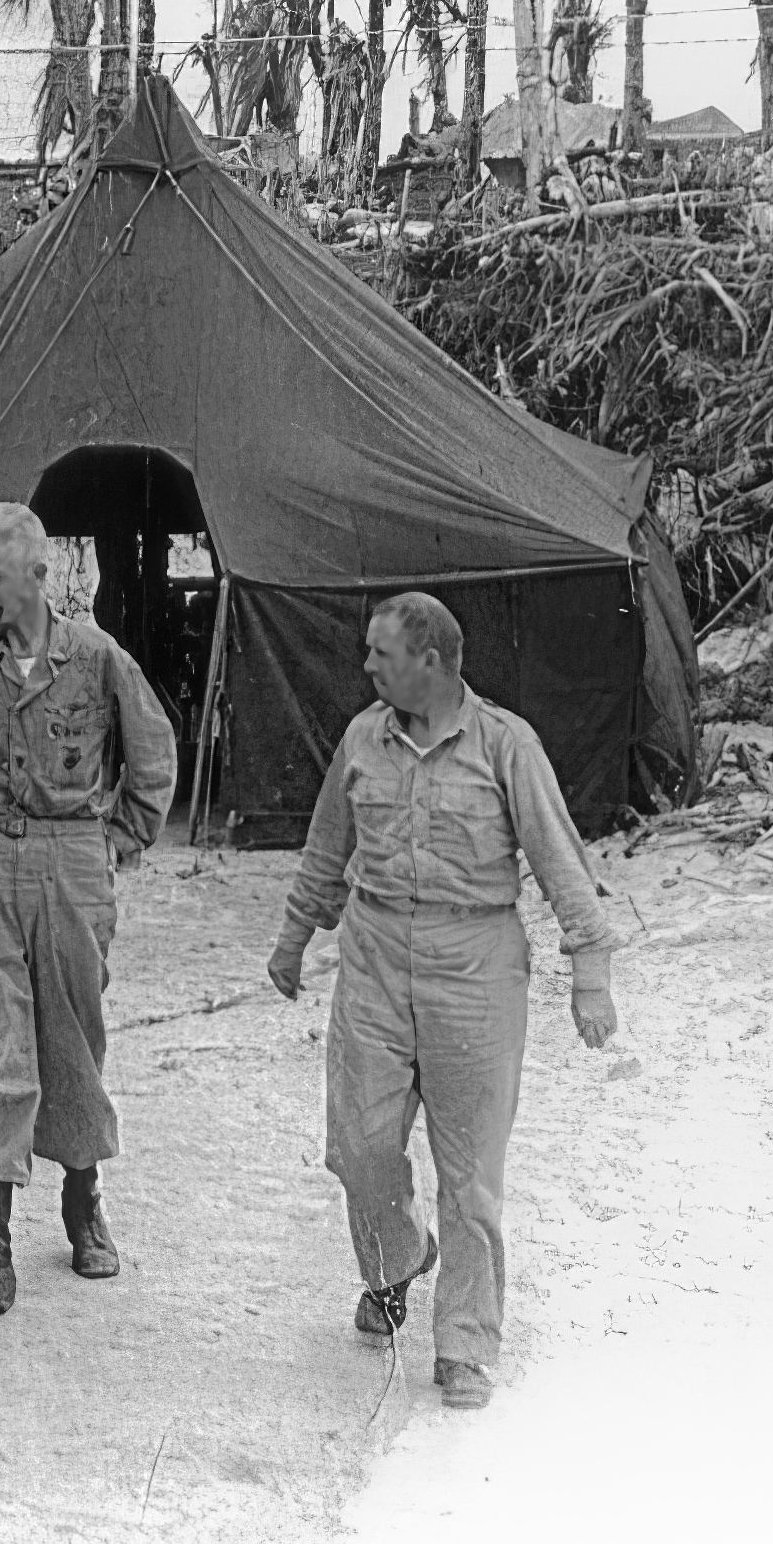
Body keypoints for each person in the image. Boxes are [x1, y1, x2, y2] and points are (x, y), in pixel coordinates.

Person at [265, 591, 623, 1412]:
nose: (365, 667)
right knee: (359, 1145)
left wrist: (590, 973)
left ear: (431, 661)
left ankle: (464, 1340)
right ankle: (395, 1262)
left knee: (471, 1173)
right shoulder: (363, 737)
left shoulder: (506, 745)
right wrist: (293, 941)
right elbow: (327, 847)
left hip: (477, 969)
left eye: (380, 655)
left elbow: (561, 860)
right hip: (376, 958)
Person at [0, 500, 175, 1331]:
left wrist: (115, 846)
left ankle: (81, 1195)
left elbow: (152, 757)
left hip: (73, 861)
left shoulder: (97, 658)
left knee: (72, 1040)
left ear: (37, 575)